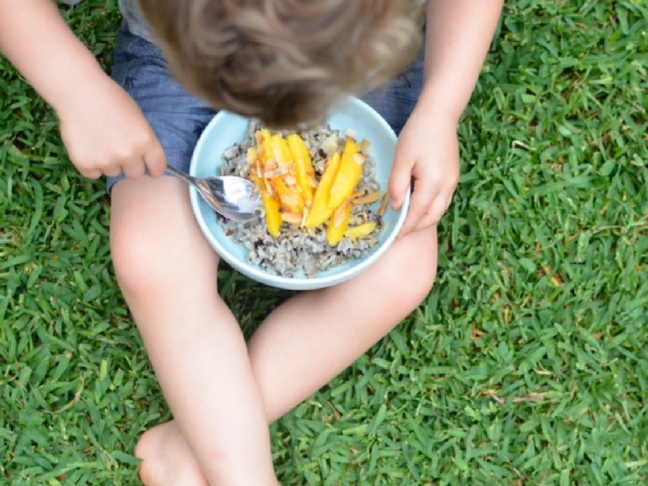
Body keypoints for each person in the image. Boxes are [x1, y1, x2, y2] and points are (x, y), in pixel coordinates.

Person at [0, 0, 504, 484]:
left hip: (359, 61)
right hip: (183, 62)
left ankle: (191, 445)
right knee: (152, 256)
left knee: (402, 269)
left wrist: (440, 110)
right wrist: (76, 90)